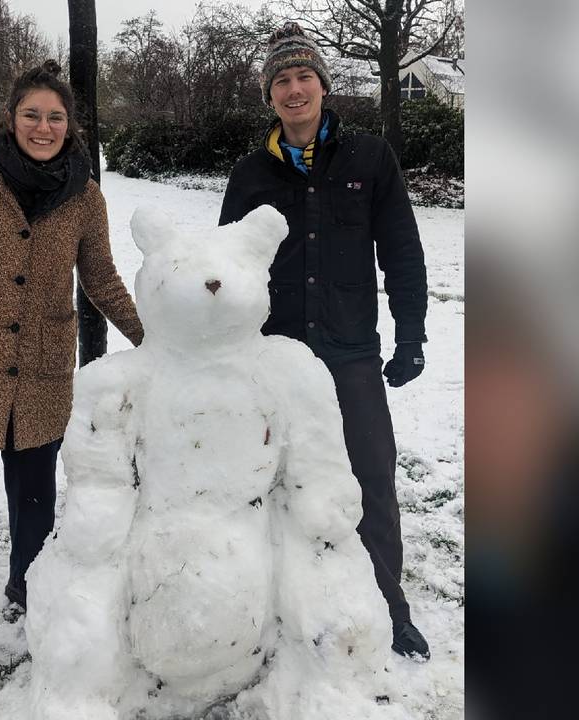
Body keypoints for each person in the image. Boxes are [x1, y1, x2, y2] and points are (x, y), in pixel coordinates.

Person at [0, 60, 144, 700]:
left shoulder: (84, 193)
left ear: (72, 126)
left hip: (41, 375)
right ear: (11, 119)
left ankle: (30, 591)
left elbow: (101, 278)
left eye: (56, 117)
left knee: (36, 506)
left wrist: (155, 339)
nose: (44, 127)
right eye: (32, 114)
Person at [218, 23, 431, 660]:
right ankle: (269, 610)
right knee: (266, 482)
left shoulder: (370, 158)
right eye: (280, 80)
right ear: (269, 96)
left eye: (303, 76)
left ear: (322, 85)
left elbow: (401, 250)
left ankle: (391, 608)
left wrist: (411, 333)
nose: (293, 89)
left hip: (350, 352)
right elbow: (227, 270)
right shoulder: (251, 172)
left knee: (371, 480)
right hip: (274, 356)